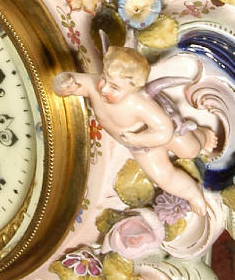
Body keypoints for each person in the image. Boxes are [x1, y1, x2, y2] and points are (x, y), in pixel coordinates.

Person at [53, 46, 216, 214]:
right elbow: (70, 80)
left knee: (190, 150)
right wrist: (64, 84)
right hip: (142, 149)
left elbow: (165, 131)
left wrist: (138, 139)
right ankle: (192, 193)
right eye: (104, 78)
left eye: (114, 88)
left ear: (133, 88)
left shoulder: (138, 104)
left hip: (159, 135)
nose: (104, 89)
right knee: (162, 176)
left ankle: (202, 135)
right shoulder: (95, 86)